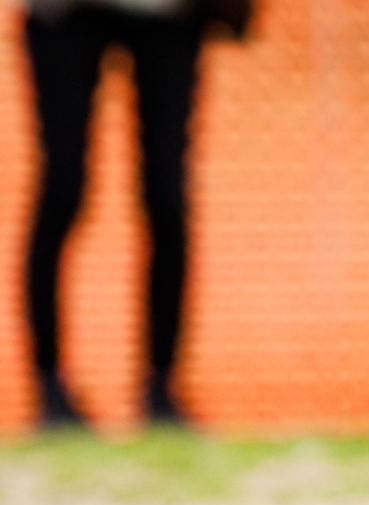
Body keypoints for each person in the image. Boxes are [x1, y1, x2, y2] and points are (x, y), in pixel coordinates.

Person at [21, 0, 251, 431]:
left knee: (167, 200)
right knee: (62, 193)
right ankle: (49, 386)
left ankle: (162, 387)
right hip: (65, 13)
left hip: (169, 13)